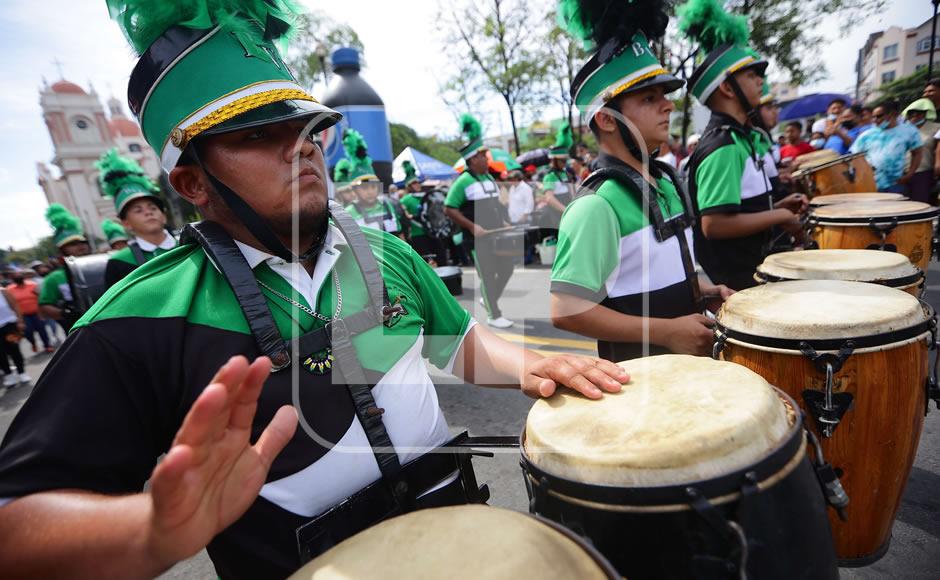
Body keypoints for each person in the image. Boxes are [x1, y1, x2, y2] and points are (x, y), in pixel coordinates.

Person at [0, 4, 629, 578]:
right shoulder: (139, 319)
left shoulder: (384, 253)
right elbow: (16, 525)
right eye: (255, 136)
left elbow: (460, 346)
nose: (300, 149)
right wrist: (151, 532)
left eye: (304, 129)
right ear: (192, 183)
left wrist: (532, 362)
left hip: (461, 546)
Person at [550, 0, 733, 362]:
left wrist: (702, 290)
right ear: (606, 119)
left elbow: (651, 273)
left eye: (665, 97)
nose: (668, 106)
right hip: (640, 391)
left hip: (689, 374)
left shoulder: (665, 183)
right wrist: (666, 332)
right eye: (649, 98)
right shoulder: (595, 205)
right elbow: (565, 308)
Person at [680, 0, 807, 291]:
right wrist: (780, 215)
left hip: (760, 267)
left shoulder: (742, 139)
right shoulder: (723, 145)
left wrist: (778, 205)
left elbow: (743, 207)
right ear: (727, 87)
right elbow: (714, 225)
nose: (760, 81)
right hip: (741, 280)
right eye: (751, 75)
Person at [445, 114, 515, 329]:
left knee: (507, 268)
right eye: (484, 156)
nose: (488, 159)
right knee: (487, 273)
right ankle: (494, 315)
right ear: (473, 159)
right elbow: (449, 208)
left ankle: (488, 298)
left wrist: (504, 221)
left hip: (497, 235)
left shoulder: (489, 178)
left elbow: (496, 206)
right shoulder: (463, 181)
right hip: (476, 238)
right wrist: (472, 226)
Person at [97, 149, 178, 289]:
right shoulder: (119, 262)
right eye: (138, 210)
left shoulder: (188, 246)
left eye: (153, 208)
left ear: (164, 216)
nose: (148, 213)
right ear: (126, 223)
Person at [850, 99, 923, 193]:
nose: (875, 120)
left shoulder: (910, 131)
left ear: (893, 114)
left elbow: (917, 153)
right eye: (873, 117)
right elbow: (853, 157)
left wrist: (910, 174)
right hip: (870, 185)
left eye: (879, 116)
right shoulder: (867, 135)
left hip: (895, 185)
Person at [37, 204, 91, 330]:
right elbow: (44, 306)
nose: (80, 246)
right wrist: (65, 314)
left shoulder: (102, 266)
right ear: (62, 249)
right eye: (72, 244)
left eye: (82, 242)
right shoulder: (54, 278)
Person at [400, 161, 448, 265]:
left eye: (417, 182)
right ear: (409, 186)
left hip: (432, 232)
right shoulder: (405, 200)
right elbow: (403, 216)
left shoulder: (426, 196)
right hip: (418, 234)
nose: (417, 184)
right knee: (425, 262)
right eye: (413, 183)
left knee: (442, 258)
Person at [4, 270, 51, 354]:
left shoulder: (32, 285)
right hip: (23, 316)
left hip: (37, 313)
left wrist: (43, 311)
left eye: (19, 275)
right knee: (27, 332)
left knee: (42, 329)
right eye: (15, 276)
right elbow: (11, 304)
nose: (18, 277)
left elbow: (40, 297)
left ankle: (47, 345)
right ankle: (33, 343)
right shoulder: (9, 289)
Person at [539, 122, 575, 227]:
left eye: (565, 161)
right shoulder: (549, 176)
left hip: (570, 214)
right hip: (558, 217)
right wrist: (565, 210)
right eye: (562, 161)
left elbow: (572, 192)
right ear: (554, 160)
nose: (565, 164)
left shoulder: (566, 173)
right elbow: (549, 198)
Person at [902, 98, 939, 203]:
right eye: (911, 114)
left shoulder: (936, 128)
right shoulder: (903, 129)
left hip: (923, 173)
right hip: (902, 173)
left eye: (917, 114)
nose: (914, 117)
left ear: (924, 114)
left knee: (920, 204)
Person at [0, 286, 29, 388]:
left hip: (9, 326)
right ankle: (9, 375)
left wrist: (20, 321)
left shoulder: (3, 291)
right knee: (1, 353)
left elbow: (15, 305)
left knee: (14, 349)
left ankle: (22, 373)